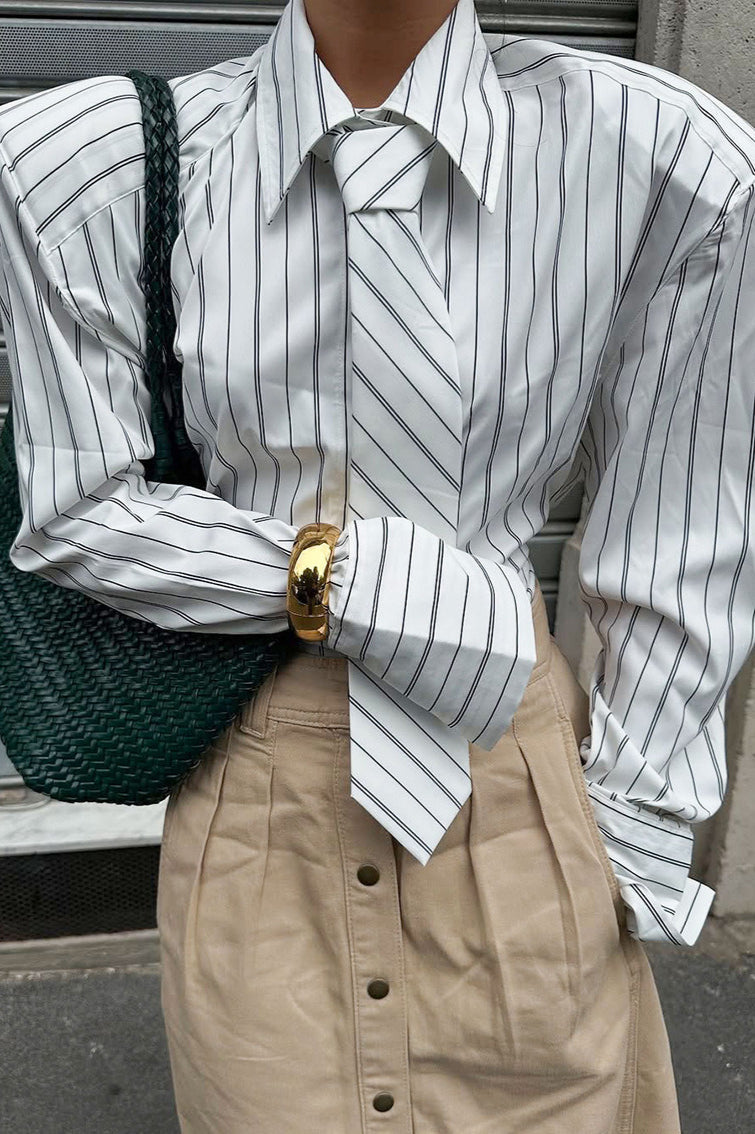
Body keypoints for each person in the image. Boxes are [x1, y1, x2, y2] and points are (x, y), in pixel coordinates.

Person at [0, 0, 753, 1129]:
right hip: (259, 780)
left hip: (519, 774)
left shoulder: (666, 158)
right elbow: (74, 511)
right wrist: (356, 581)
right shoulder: (83, 164)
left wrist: (629, 831)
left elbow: (681, 522)